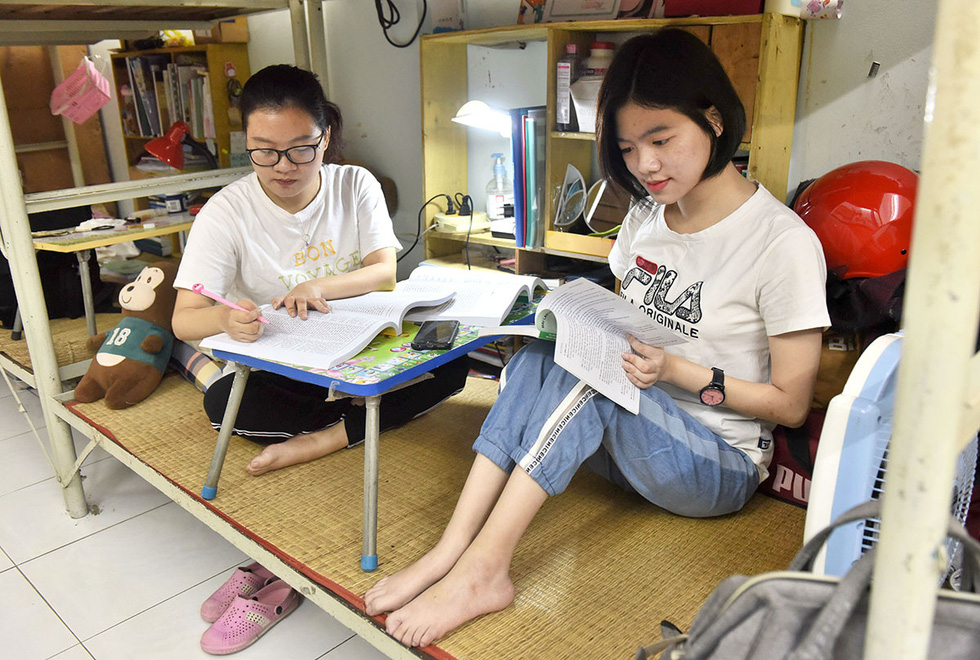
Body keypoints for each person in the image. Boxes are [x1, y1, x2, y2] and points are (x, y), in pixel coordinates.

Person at [363, 29, 831, 647]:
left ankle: (484, 571)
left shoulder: (782, 242)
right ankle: (452, 549)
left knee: (594, 382)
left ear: (714, 120)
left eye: (661, 140)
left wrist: (675, 372)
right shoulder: (645, 216)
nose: (645, 165)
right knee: (542, 357)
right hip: (628, 444)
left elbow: (791, 405)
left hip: (716, 463)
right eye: (628, 148)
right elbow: (615, 324)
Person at [172, 65, 468, 476]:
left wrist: (317, 286)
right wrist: (224, 318)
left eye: (300, 149)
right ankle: (368, 414)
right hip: (286, 367)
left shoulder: (356, 185)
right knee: (226, 405)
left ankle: (330, 435)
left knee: (453, 360)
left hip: (364, 349)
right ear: (247, 141)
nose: (283, 167)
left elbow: (384, 272)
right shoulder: (225, 213)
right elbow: (183, 320)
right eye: (264, 151)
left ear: (325, 137)